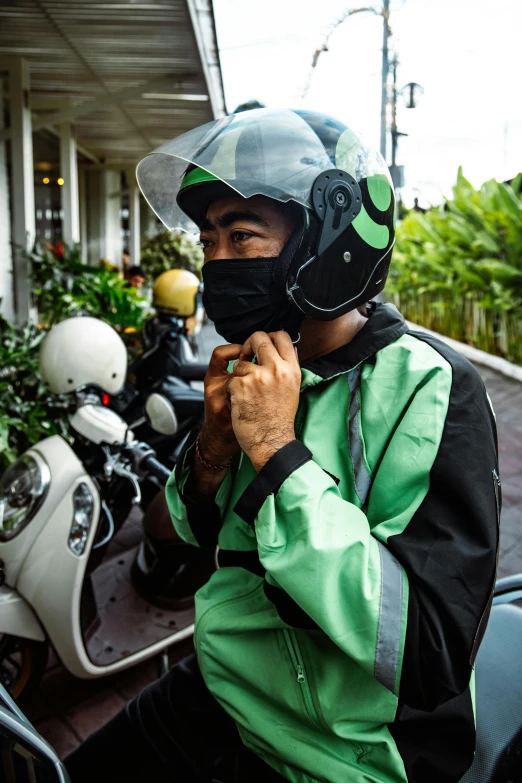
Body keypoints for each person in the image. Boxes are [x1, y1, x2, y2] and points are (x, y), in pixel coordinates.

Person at [65, 108, 500, 783]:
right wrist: (210, 452)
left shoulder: (431, 388)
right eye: (209, 241)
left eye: (242, 236)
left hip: (343, 753)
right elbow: (181, 535)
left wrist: (279, 451)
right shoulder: (257, 365)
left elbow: (428, 650)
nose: (218, 263)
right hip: (223, 694)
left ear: (327, 246)